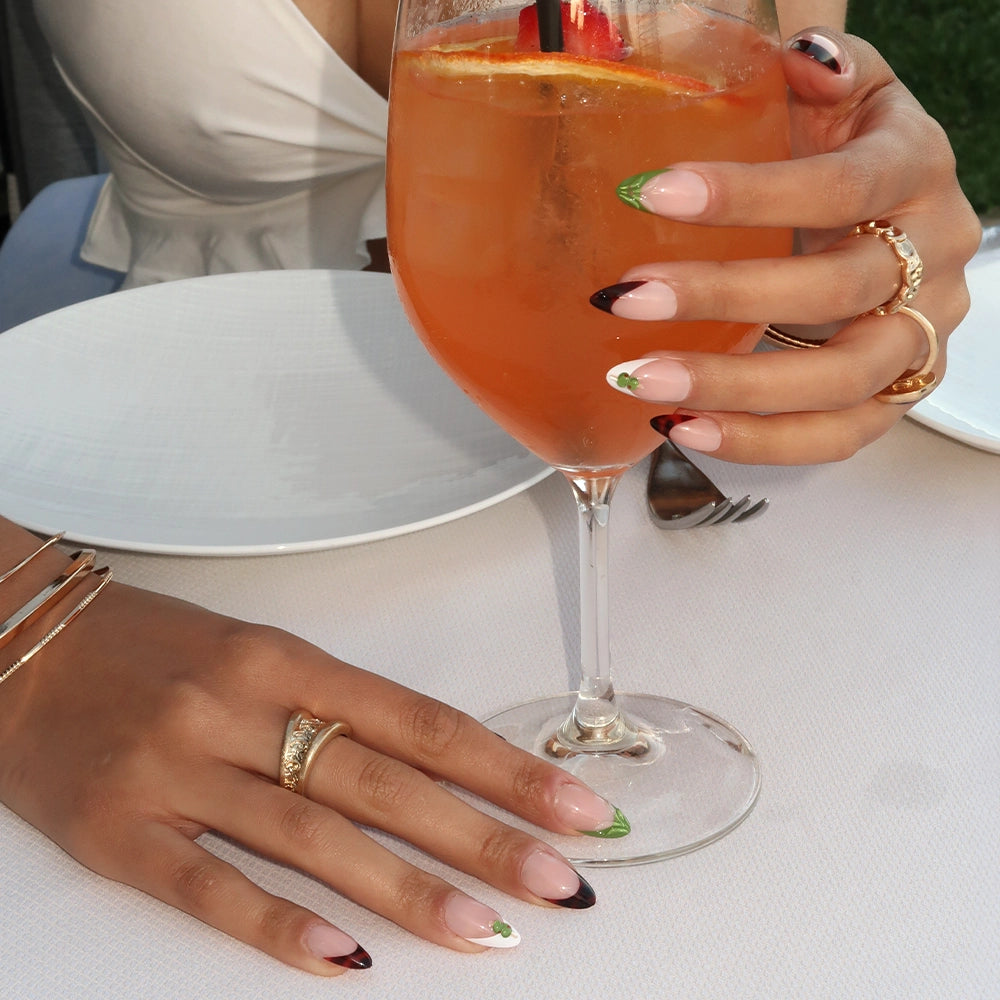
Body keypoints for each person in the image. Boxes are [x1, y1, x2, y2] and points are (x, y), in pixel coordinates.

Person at [0, 0, 982, 977]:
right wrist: (23, 633)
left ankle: (596, 707)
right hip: (138, 479)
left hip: (581, 471)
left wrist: (819, 264)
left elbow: (738, 127)